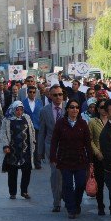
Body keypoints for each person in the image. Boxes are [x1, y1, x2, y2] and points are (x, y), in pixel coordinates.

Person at [50, 98, 92, 219]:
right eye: (72, 107)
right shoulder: (60, 123)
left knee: (80, 184)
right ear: (67, 109)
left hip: (80, 159)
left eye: (77, 107)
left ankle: (76, 204)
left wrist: (90, 160)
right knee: (67, 185)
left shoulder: (83, 124)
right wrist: (53, 156)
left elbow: (87, 143)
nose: (75, 109)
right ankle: (71, 208)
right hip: (65, 159)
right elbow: (54, 141)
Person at [38, 84, 66, 212]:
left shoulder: (70, 107)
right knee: (56, 174)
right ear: (50, 96)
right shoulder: (45, 111)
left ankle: (66, 196)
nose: (58, 97)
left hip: (68, 147)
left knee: (67, 175)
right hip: (52, 147)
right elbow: (42, 132)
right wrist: (40, 151)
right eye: (55, 95)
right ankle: (57, 202)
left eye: (60, 94)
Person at [1, 101, 35, 199]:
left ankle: (24, 191)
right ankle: (12, 192)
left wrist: (33, 142)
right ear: (13, 109)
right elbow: (3, 134)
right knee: (12, 172)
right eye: (17, 110)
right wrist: (6, 146)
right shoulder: (7, 120)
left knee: (27, 171)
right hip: (13, 150)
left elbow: (31, 130)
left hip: (26, 149)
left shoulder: (27, 118)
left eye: (21, 110)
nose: (19, 112)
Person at [89, 99, 111, 216]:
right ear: (98, 109)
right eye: (101, 107)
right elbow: (89, 140)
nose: (104, 109)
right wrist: (97, 153)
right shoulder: (92, 122)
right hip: (99, 158)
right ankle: (101, 206)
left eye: (106, 107)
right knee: (100, 184)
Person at [22, 85, 43, 169]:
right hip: (26, 127)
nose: (32, 93)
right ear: (27, 93)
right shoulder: (23, 102)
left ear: (36, 93)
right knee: (27, 145)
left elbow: (41, 114)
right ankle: (28, 163)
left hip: (37, 127)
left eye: (33, 92)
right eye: (30, 92)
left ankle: (37, 163)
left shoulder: (39, 102)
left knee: (37, 145)